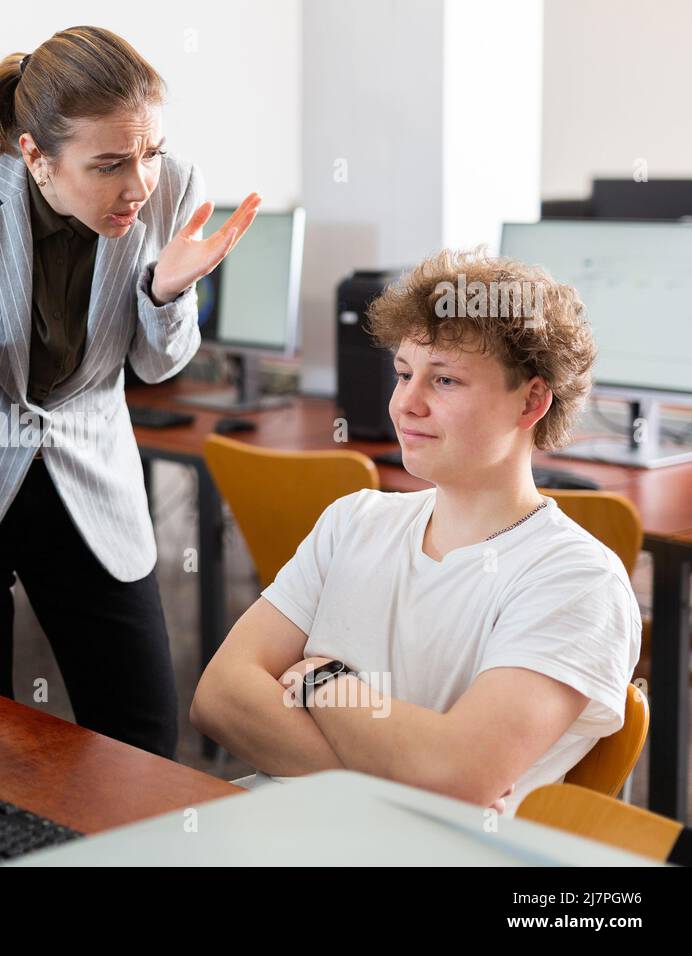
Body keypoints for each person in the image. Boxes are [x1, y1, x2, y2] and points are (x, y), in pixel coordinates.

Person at [0, 25, 260, 759]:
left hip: (88, 475)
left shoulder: (174, 190)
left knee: (139, 732)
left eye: (150, 154)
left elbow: (160, 368)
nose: (138, 185)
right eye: (108, 165)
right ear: (36, 158)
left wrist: (168, 293)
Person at [190, 249, 642, 815]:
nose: (407, 403)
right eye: (404, 373)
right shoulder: (353, 520)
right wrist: (399, 784)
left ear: (531, 401)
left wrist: (323, 683)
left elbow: (455, 774)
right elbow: (219, 697)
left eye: (446, 380)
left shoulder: (577, 582)